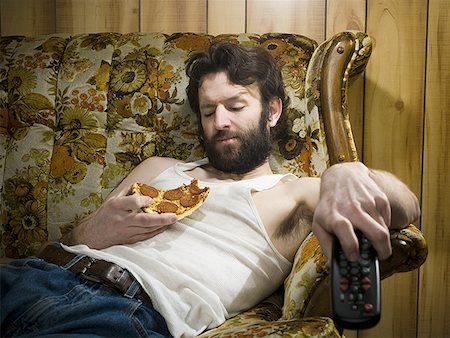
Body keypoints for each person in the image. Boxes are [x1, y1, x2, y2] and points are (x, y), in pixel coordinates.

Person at [0, 42, 420, 337]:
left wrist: (346, 174)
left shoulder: (296, 194)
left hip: (121, 312)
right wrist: (88, 232)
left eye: (236, 106)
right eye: (208, 111)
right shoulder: (159, 168)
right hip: (34, 276)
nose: (220, 121)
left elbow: (407, 207)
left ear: (271, 111)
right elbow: (64, 244)